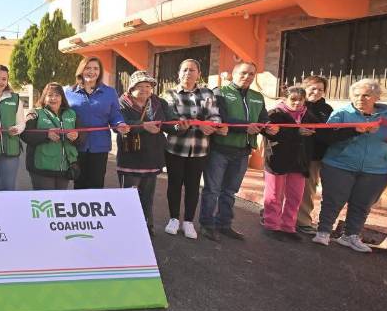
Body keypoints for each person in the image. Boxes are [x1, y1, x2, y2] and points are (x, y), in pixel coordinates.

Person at [312, 79, 387, 253]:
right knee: (333, 200)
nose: (360, 99)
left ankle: (350, 236)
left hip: (376, 170)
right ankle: (323, 232)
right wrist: (354, 131)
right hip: (339, 165)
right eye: (356, 95)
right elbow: (329, 137)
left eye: (366, 95)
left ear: (376, 97)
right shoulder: (342, 113)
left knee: (362, 204)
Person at [199, 62, 278, 241]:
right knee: (212, 189)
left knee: (230, 190)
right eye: (243, 73)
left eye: (251, 74)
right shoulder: (219, 92)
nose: (247, 77)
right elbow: (221, 116)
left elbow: (263, 119)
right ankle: (206, 224)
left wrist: (268, 128)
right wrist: (245, 128)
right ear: (234, 74)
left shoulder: (257, 96)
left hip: (243, 150)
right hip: (220, 149)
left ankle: (224, 224)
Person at [162, 59, 222, 239]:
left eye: (192, 70)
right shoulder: (169, 94)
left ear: (199, 73)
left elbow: (216, 117)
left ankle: (188, 221)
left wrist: (211, 126)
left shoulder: (207, 93)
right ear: (179, 73)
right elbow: (171, 119)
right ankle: (173, 219)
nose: (188, 73)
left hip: (199, 149)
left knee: (193, 186)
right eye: (185, 70)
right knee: (174, 184)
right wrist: (197, 124)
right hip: (175, 148)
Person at [116, 71, 176, 236]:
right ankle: (127, 229)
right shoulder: (121, 103)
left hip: (152, 156)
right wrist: (143, 126)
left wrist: (180, 126)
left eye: (148, 86)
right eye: (140, 86)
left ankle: (146, 227)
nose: (144, 90)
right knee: (129, 197)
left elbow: (168, 123)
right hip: (131, 157)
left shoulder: (159, 102)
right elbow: (119, 124)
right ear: (131, 88)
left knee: (147, 197)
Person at [261, 85, 319, 235]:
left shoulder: (309, 116)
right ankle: (271, 225)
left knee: (295, 197)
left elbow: (320, 133)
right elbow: (270, 134)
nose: (297, 103)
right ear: (284, 99)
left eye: (301, 100)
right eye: (293, 99)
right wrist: (296, 132)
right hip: (277, 161)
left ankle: (288, 226)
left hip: (299, 163)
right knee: (274, 196)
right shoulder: (274, 114)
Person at [64, 57, 129, 190]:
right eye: (88, 68)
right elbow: (63, 115)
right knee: (79, 182)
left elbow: (115, 115)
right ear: (81, 70)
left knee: (96, 184)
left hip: (100, 146)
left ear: (100, 72)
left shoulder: (110, 92)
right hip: (77, 145)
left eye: (95, 68)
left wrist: (120, 124)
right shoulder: (69, 92)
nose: (91, 71)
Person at [21, 82, 83, 190]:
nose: (53, 98)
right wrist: (46, 134)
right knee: (45, 204)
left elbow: (82, 136)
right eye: (50, 95)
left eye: (57, 95)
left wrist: (77, 136)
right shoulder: (35, 113)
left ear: (62, 98)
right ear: (44, 98)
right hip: (42, 169)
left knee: (60, 202)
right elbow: (25, 134)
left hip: (65, 169)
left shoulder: (72, 114)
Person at [295, 75, 333, 235]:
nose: (316, 92)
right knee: (280, 186)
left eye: (320, 89)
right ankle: (271, 215)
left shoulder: (328, 110)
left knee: (308, 189)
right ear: (305, 88)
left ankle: (302, 221)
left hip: (314, 157)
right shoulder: (295, 102)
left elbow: (330, 133)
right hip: (291, 153)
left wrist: (315, 132)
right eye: (313, 88)